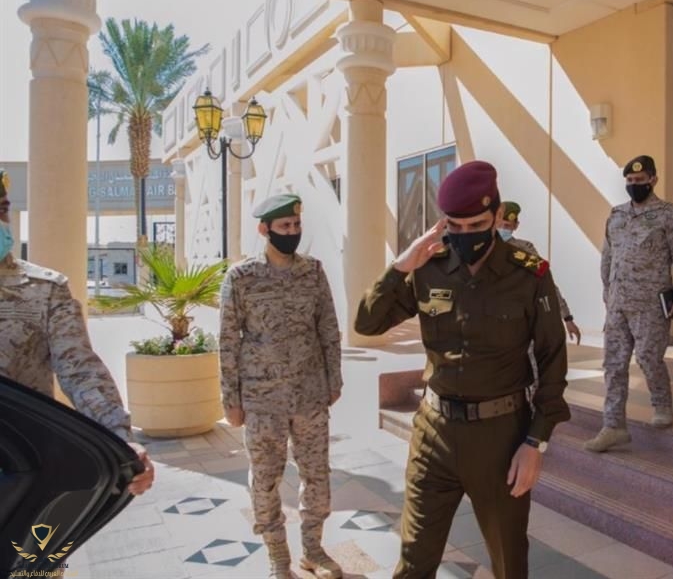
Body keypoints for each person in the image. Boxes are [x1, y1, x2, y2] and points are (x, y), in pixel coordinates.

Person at [354, 161, 569, 579]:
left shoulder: (529, 274)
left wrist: (536, 443)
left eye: (477, 225)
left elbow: (552, 361)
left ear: (497, 214)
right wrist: (400, 266)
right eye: (455, 225)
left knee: (509, 562)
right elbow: (367, 323)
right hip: (434, 433)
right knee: (414, 562)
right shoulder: (428, 267)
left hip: (500, 437)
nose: (465, 234)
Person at [0, 169, 154, 496]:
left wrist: (120, 439)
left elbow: (80, 370)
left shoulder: (44, 289)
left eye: (1, 209)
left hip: (18, 472)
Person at [219, 193, 343, 579]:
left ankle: (313, 550)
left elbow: (328, 328)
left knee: (317, 474)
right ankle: (278, 556)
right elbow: (228, 340)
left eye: (296, 225)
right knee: (265, 478)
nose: (292, 231)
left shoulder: (313, 272)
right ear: (264, 229)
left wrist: (334, 379)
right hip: (262, 398)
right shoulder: (241, 277)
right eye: (284, 226)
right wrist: (231, 398)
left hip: (309, 393)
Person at [584, 155, 673, 453]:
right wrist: (607, 292)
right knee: (613, 363)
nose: (634, 185)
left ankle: (662, 404)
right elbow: (608, 256)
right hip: (618, 302)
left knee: (648, 357)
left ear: (653, 179)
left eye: (640, 180)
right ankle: (613, 426)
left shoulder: (669, 215)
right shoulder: (617, 214)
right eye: (630, 181)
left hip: (650, 304)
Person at [497, 201, 581, 344]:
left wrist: (567, 317)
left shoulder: (524, 249)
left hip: (518, 322)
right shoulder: (482, 250)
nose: (502, 229)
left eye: (507, 226)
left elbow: (546, 281)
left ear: (516, 226)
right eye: (500, 225)